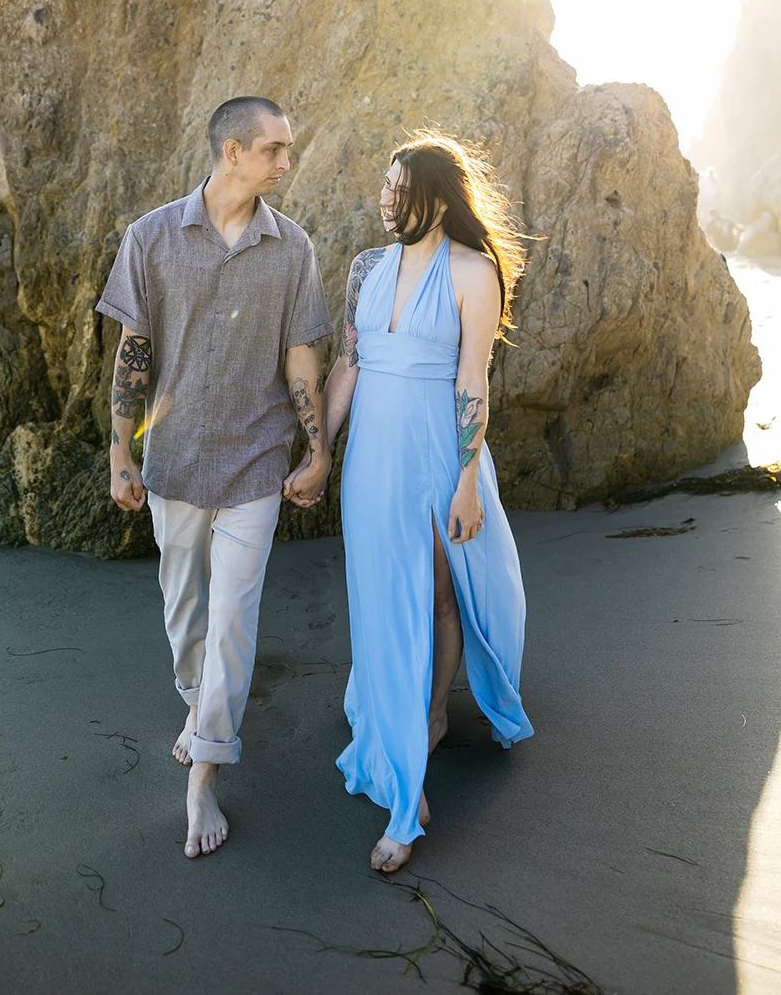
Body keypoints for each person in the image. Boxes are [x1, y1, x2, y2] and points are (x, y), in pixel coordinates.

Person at [95, 97, 333, 859]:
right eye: (275, 150)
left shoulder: (293, 249)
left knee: (234, 618)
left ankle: (204, 777)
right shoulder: (152, 237)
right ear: (233, 152)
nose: (286, 163)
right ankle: (200, 710)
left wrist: (316, 449)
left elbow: (303, 356)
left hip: (258, 462)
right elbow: (133, 354)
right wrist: (120, 454)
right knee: (185, 608)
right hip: (175, 456)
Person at [320, 128, 533, 872]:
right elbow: (347, 366)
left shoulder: (475, 273)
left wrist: (468, 479)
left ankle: (421, 749)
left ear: (438, 201)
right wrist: (318, 452)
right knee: (384, 599)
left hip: (440, 454)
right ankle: (400, 726)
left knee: (442, 599)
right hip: (371, 462)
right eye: (383, 187)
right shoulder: (365, 268)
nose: (386, 200)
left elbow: (473, 383)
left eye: (401, 190)